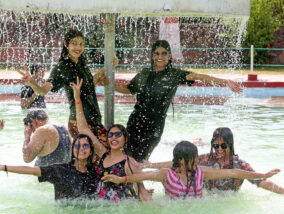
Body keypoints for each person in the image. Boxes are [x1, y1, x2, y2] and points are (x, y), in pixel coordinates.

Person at [100, 40, 243, 161]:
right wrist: (110, 85)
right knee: (127, 156)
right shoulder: (144, 73)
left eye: (163, 53)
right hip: (135, 121)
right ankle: (131, 188)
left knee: (141, 159)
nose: (159, 56)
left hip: (154, 126)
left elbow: (198, 76)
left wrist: (225, 82)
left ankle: (137, 188)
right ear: (152, 55)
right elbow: (128, 89)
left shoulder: (174, 75)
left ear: (169, 55)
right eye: (156, 53)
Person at [18, 29, 116, 137]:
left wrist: (109, 65)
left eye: (81, 44)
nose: (78, 47)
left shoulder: (81, 63)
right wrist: (32, 82)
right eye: (74, 44)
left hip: (94, 120)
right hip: (79, 123)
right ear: (66, 44)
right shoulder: (62, 67)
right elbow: (42, 91)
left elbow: (89, 82)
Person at [102, 141, 280, 199]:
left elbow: (235, 172)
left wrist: (263, 175)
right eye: (192, 159)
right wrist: (121, 180)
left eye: (196, 157)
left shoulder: (201, 172)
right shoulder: (167, 175)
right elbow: (141, 176)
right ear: (180, 160)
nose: (196, 161)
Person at [70, 78, 151, 201]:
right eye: (110, 135)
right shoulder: (103, 154)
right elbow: (83, 129)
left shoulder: (129, 163)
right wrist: (77, 100)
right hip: (100, 207)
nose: (113, 137)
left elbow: (142, 192)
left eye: (118, 134)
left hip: (118, 209)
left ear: (125, 138)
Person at [0, 134, 99, 200]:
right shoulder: (60, 170)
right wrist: (3, 167)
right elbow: (32, 170)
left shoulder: (94, 173)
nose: (81, 149)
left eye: (85, 145)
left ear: (90, 151)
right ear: (73, 149)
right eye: (77, 145)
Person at [198, 127, 284, 194]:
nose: (219, 149)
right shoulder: (204, 160)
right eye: (216, 145)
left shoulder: (240, 165)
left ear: (230, 145)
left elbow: (261, 182)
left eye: (223, 145)